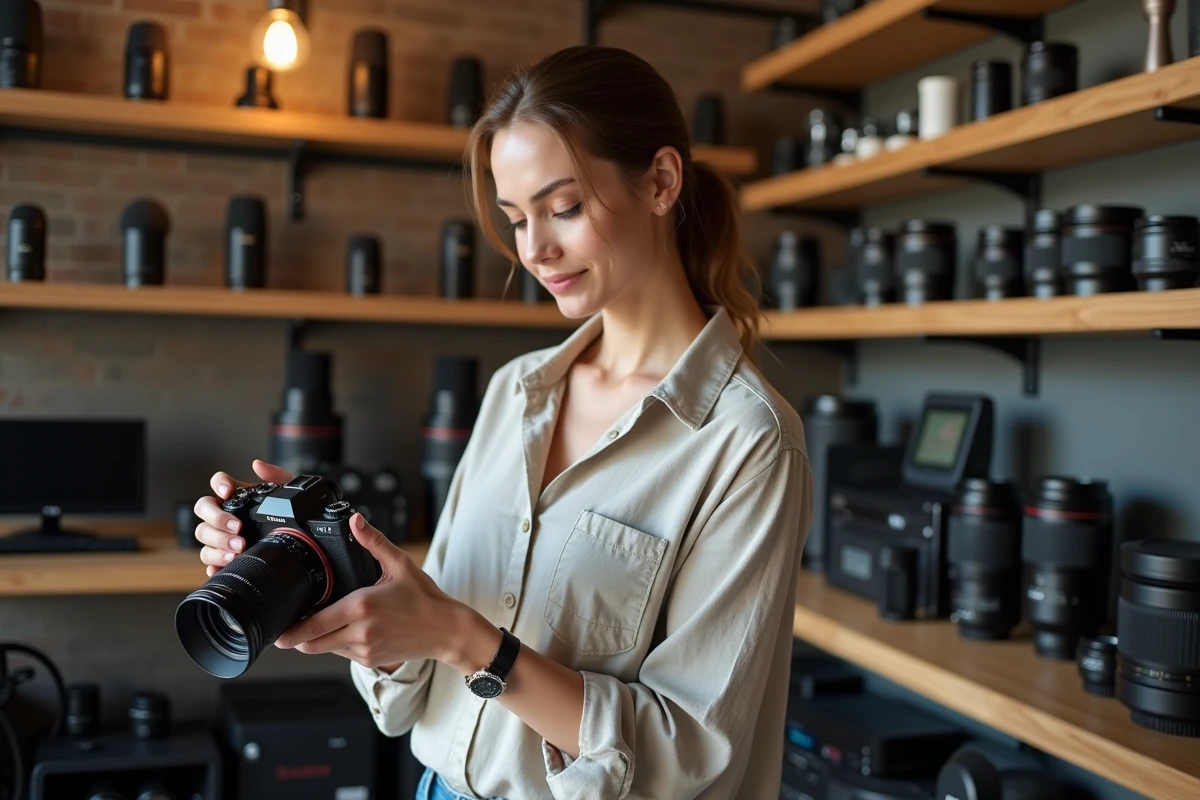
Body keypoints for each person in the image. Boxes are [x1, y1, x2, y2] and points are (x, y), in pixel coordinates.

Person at [193, 45, 812, 800]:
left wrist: (464, 639)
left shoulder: (746, 442)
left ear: (660, 181)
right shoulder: (516, 391)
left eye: (564, 208)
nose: (534, 249)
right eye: (517, 218)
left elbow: (685, 753)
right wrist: (331, 569)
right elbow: (411, 694)